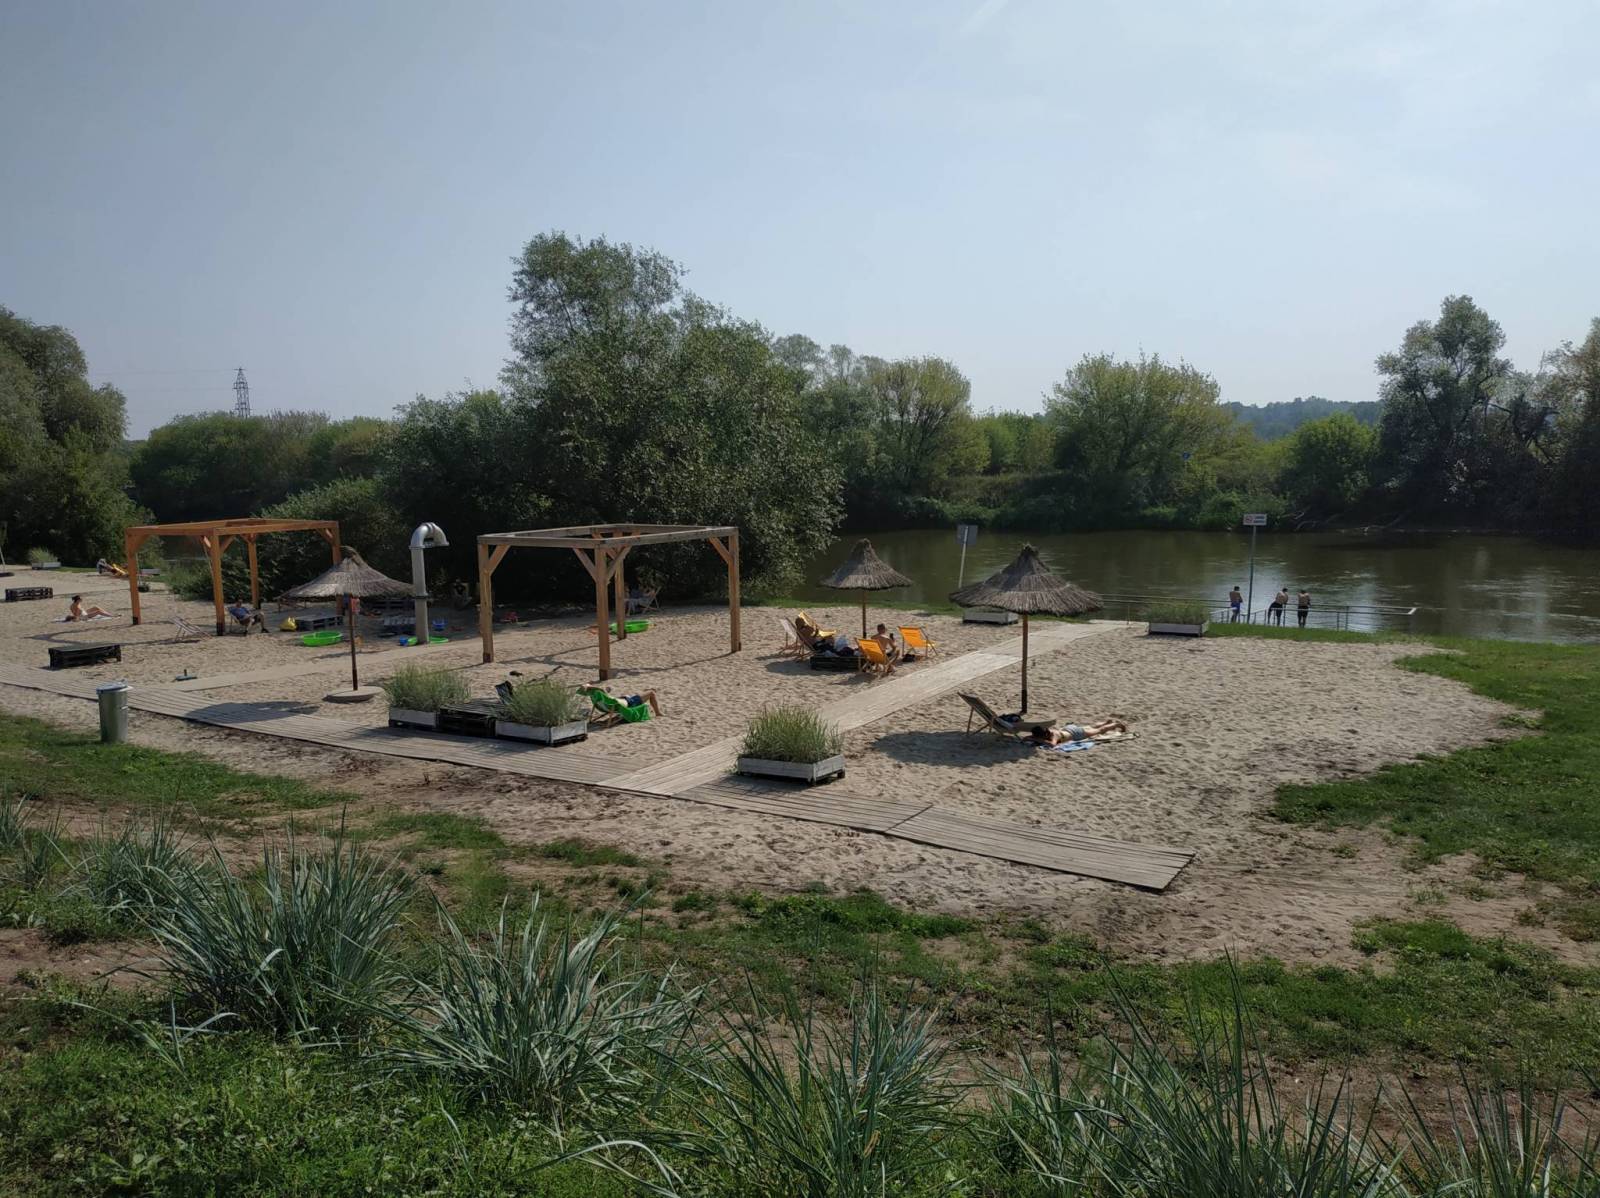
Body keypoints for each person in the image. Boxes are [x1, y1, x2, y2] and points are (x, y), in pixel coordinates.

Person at [1030, 718, 1128, 746]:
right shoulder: (1048, 731)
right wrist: (1030, 738)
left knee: (1099, 731)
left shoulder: (1053, 736)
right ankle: (1106, 722)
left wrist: (1038, 740)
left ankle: (1116, 724)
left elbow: (1052, 744)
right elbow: (1028, 738)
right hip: (1069, 729)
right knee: (1091, 727)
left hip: (1076, 734)